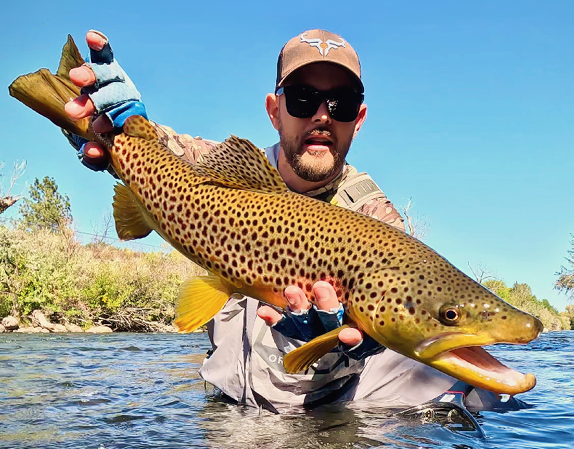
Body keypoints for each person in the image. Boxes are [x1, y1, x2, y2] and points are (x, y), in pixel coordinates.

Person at [64, 29, 525, 414]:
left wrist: (351, 345)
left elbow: (391, 319)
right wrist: (98, 117)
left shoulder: (379, 224)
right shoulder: (207, 167)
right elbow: (143, 144)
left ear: (358, 119)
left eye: (341, 103)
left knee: (481, 399)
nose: (323, 115)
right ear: (274, 109)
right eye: (304, 99)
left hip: (331, 404)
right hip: (234, 407)